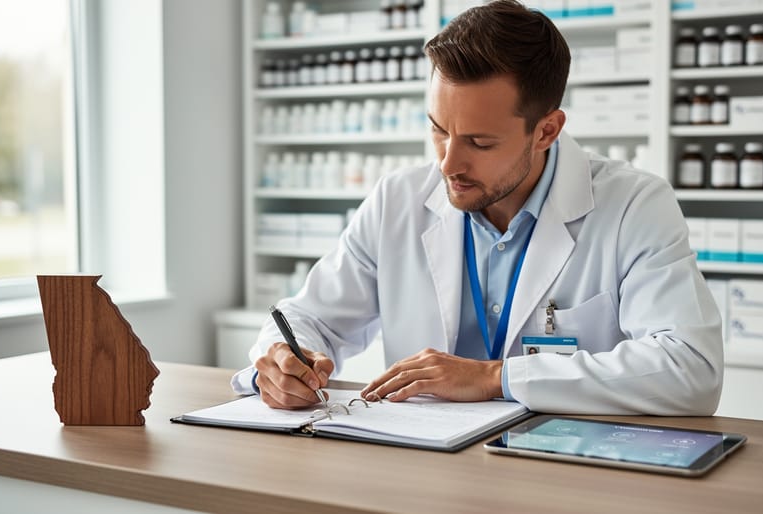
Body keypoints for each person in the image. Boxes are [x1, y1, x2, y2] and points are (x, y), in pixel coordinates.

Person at [232, 0, 723, 416]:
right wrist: (280, 363)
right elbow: (309, 318)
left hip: (568, 473)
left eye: (480, 142)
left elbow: (691, 369)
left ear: (547, 130)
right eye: (438, 130)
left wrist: (495, 377)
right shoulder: (397, 201)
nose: (448, 163)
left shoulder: (634, 205)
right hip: (423, 470)